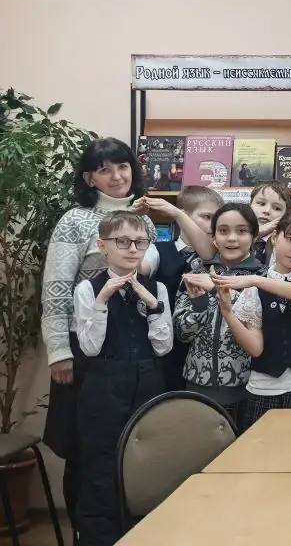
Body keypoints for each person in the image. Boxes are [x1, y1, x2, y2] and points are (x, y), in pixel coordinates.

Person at [41, 137, 159, 526]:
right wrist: (59, 350)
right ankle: (88, 531)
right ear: (90, 178)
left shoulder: (144, 219)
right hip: (87, 347)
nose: (116, 176)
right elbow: (57, 288)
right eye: (104, 169)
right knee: (87, 448)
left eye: (122, 166)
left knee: (135, 447)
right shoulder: (74, 220)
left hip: (136, 349)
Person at [72, 212, 172, 546]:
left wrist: (153, 305)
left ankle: (147, 536)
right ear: (103, 246)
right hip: (104, 383)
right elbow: (89, 347)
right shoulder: (88, 288)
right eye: (122, 242)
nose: (132, 249)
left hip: (148, 380)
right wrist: (102, 300)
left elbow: (163, 347)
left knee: (148, 461)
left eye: (140, 242)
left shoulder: (157, 288)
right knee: (102, 463)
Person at [217, 206, 291, 430]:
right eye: (290, 238)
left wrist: (257, 280)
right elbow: (256, 349)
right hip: (264, 389)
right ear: (274, 237)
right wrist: (228, 313)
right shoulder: (254, 287)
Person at [174, 203, 263, 423]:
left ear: (254, 236)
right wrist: (199, 305)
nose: (231, 238)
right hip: (196, 386)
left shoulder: (263, 277)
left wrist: (216, 288)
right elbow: (182, 334)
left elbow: (260, 323)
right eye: (223, 231)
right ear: (213, 237)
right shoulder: (196, 273)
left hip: (246, 388)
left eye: (241, 231)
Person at [148, 185, 224, 390]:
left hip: (206, 358)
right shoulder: (158, 249)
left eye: (217, 219)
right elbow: (142, 266)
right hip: (164, 349)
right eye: (206, 217)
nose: (213, 225)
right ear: (182, 216)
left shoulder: (220, 255)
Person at [250, 181, 291, 266]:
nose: (267, 211)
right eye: (261, 204)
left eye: (277, 208)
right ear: (250, 204)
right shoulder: (234, 234)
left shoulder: (284, 244)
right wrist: (257, 233)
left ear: (285, 215)